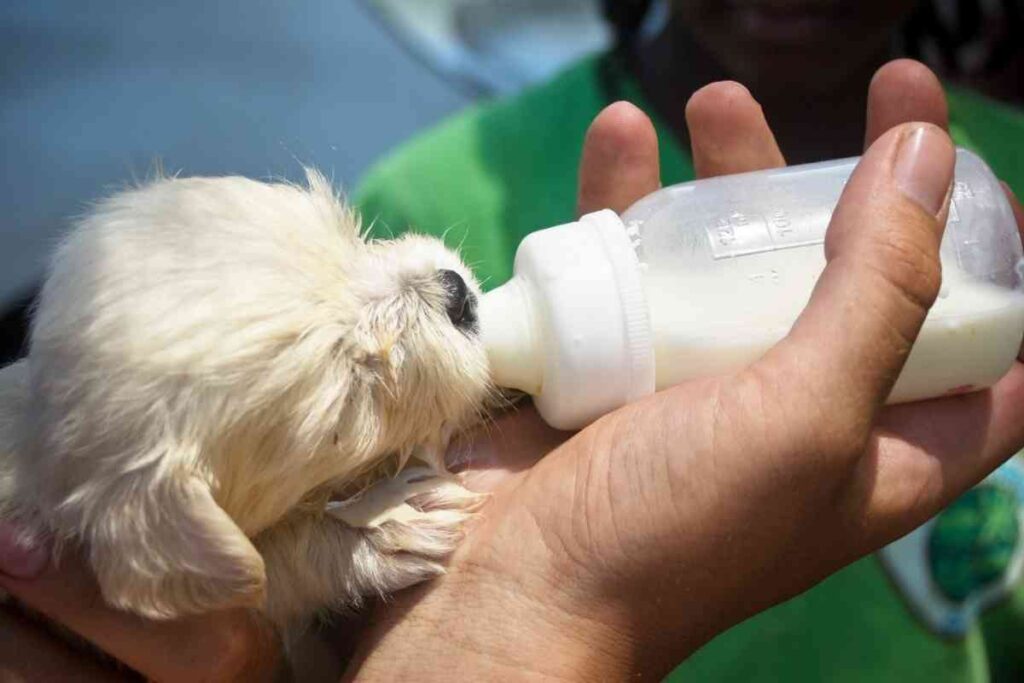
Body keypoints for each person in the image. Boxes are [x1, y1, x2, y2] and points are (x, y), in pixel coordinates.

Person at [3, 69, 1024, 682]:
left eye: (351, 234)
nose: (434, 277)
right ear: (179, 527)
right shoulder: (133, 523)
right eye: (358, 379)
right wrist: (352, 558)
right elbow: (213, 597)